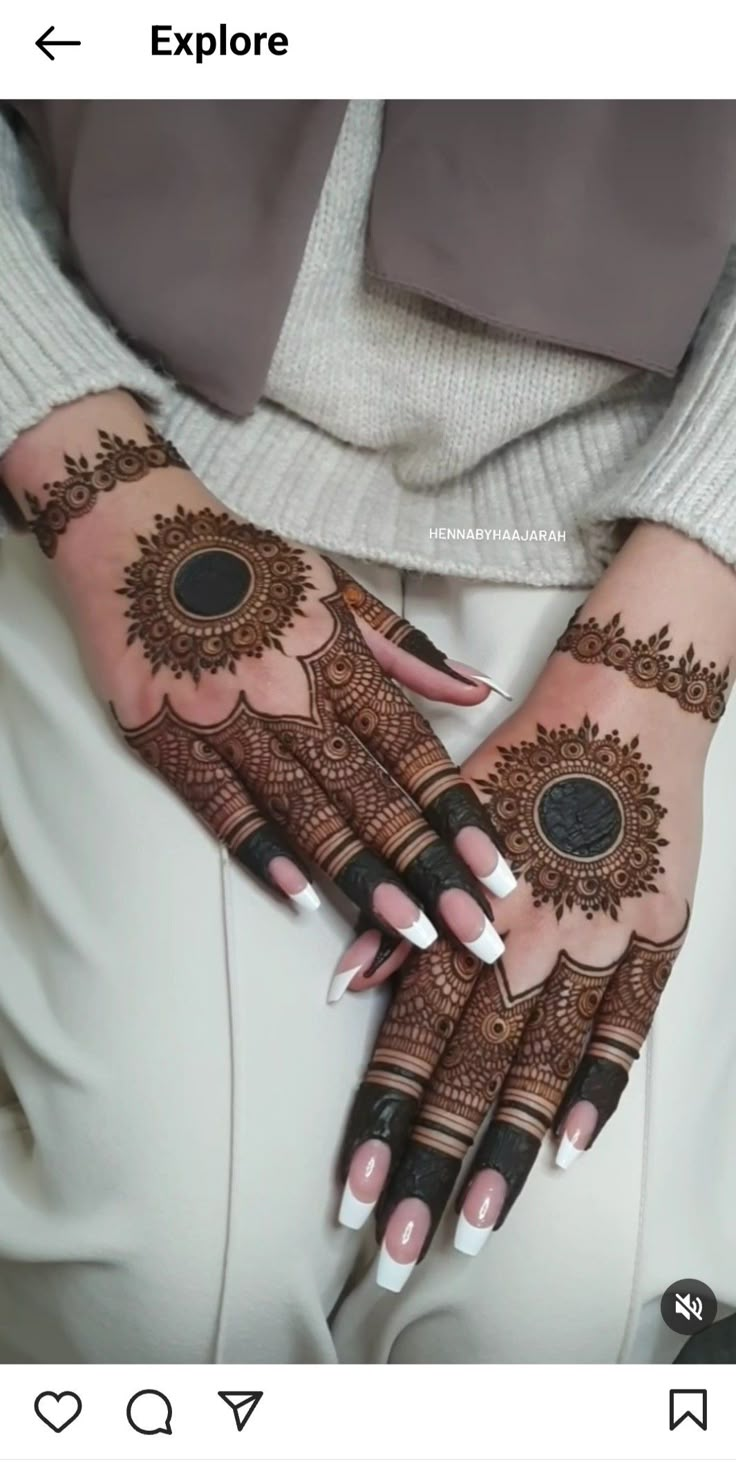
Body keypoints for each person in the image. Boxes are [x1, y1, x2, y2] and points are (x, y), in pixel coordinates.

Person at [1, 99, 735, 1364]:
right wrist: (70, 449)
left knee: (556, 1305)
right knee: (165, 1278)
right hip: (115, 411)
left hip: (657, 492)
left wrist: (672, 637)